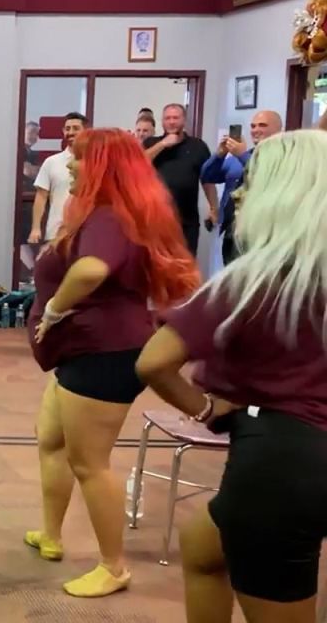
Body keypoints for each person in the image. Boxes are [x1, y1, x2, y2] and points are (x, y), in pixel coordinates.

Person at [136, 130, 327, 623]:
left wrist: (203, 408)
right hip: (308, 458)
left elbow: (154, 362)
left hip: (282, 463)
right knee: (203, 544)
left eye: (252, 181)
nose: (240, 191)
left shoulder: (251, 281)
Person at [26, 128, 198, 598]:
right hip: (83, 352)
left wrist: (56, 308)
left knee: (90, 463)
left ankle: (114, 566)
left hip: (102, 355)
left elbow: (91, 269)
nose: (72, 166)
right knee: (52, 439)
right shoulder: (108, 215)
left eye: (80, 159)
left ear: (101, 167)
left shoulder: (108, 216)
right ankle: (52, 534)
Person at [202, 110, 281, 266]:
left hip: (261, 236)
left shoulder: (283, 158)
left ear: (279, 129)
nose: (256, 130)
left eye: (262, 125)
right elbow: (207, 176)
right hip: (232, 233)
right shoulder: (238, 158)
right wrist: (219, 154)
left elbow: (266, 176)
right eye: (253, 126)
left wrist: (242, 155)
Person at [143, 103, 217, 257]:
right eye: (167, 118)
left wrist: (213, 208)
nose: (171, 122)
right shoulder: (150, 143)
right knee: (156, 267)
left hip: (186, 221)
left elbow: (208, 180)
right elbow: (139, 163)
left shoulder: (198, 146)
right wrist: (163, 144)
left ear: (184, 121)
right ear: (162, 121)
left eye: (176, 118)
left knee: (186, 266)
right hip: (155, 220)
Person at [29, 113, 84, 246]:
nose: (71, 132)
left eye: (76, 128)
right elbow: (41, 196)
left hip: (85, 234)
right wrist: (35, 228)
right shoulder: (51, 162)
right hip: (55, 233)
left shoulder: (95, 162)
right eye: (67, 128)